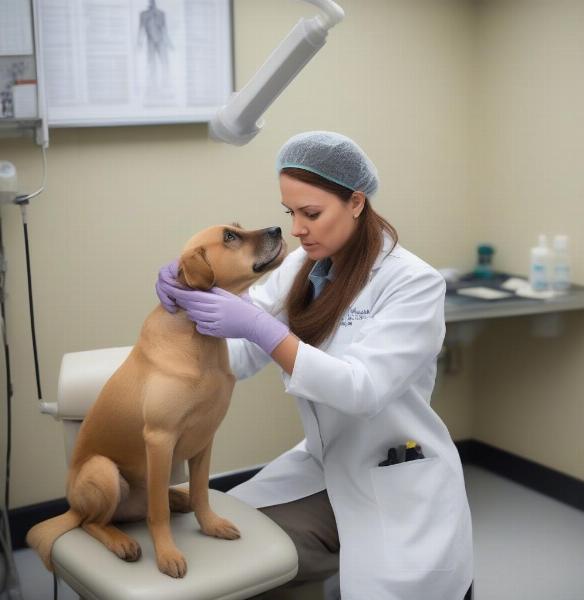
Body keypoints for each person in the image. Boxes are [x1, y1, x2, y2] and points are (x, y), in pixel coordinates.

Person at [156, 131, 474, 600]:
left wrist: (264, 329)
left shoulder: (413, 283)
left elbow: (361, 389)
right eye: (291, 213)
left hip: (398, 475)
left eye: (312, 214)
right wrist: (189, 303)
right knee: (232, 543)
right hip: (323, 464)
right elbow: (240, 359)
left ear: (356, 202)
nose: (298, 230)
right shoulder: (301, 267)